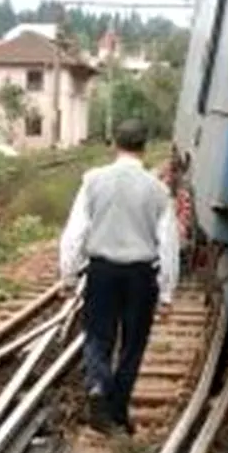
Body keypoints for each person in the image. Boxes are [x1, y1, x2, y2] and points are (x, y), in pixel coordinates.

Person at [58, 118, 180, 436]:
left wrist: (68, 276)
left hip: (102, 271)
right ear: (146, 147)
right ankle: (118, 411)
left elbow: (75, 232)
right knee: (133, 345)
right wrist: (167, 292)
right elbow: (168, 244)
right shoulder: (159, 190)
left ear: (114, 144)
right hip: (141, 276)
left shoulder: (93, 180)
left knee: (98, 336)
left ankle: (98, 385)